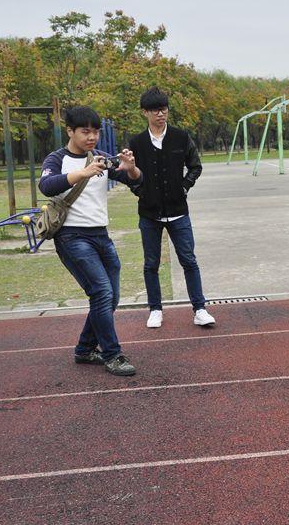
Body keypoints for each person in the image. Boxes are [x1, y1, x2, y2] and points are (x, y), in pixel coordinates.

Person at [39, 106, 142, 376]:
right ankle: (112, 354)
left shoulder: (102, 158)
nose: (92, 137)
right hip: (71, 236)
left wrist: (131, 169)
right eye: (85, 131)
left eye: (96, 131)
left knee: (110, 297)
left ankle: (85, 349)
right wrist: (84, 173)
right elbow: (47, 186)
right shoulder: (57, 159)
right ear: (70, 131)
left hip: (101, 235)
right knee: (101, 292)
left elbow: (136, 182)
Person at [127, 87, 215, 329]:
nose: (161, 114)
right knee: (151, 264)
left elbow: (195, 166)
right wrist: (141, 192)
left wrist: (184, 187)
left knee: (189, 260)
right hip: (149, 214)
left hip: (178, 212)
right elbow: (129, 174)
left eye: (164, 109)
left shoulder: (180, 137)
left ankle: (200, 309)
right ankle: (155, 309)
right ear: (145, 112)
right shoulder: (136, 142)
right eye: (155, 110)